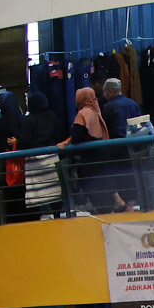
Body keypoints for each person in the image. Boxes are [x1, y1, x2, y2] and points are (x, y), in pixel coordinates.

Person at [64, 86, 111, 215]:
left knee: (95, 192)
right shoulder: (96, 110)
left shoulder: (83, 113)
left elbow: (78, 135)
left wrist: (70, 140)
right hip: (100, 158)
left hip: (89, 161)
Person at [22, 90, 66, 209]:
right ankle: (57, 215)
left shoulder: (28, 120)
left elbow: (24, 139)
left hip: (35, 159)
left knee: (40, 193)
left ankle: (45, 217)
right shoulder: (52, 116)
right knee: (54, 190)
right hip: (52, 156)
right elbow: (58, 133)